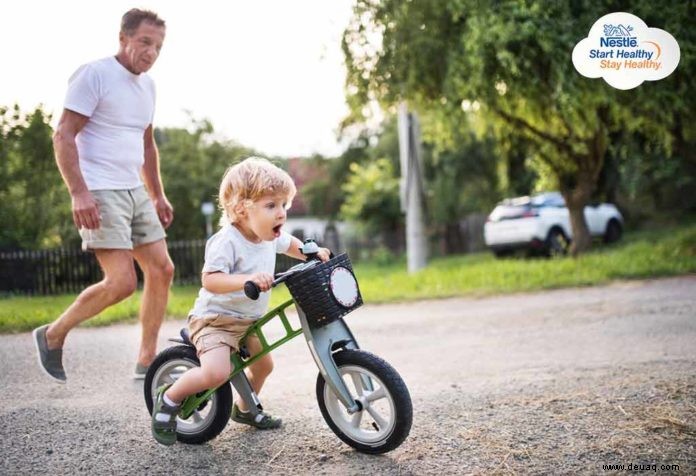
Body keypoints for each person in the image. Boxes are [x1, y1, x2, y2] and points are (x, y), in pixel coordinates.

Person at [33, 9, 174, 383]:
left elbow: (147, 145)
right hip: (99, 188)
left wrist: (157, 195)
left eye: (158, 46)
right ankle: (52, 334)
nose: (151, 52)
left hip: (134, 188)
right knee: (122, 282)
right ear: (123, 38)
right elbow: (63, 134)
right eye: (145, 42)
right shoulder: (94, 75)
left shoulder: (149, 87)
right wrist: (79, 193)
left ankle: (147, 360)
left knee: (162, 269)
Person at [150, 157, 330, 445]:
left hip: (247, 322)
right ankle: (169, 398)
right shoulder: (227, 241)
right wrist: (245, 281)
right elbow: (210, 279)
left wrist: (312, 252)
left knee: (264, 366)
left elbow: (292, 244)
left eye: (284, 205)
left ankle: (245, 410)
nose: (281, 213)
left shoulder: (271, 236)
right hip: (214, 321)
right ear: (242, 209)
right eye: (271, 206)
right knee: (216, 372)